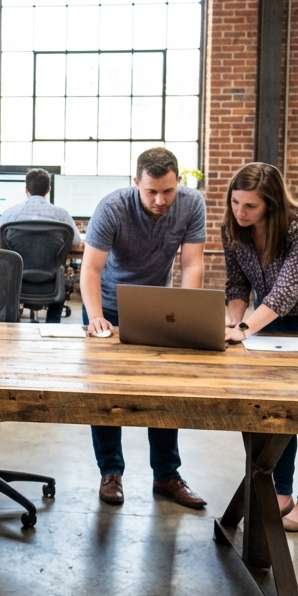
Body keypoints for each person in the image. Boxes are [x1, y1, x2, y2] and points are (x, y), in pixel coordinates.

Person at [80, 147, 208, 509]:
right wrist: (95, 316)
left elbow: (192, 264)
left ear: (178, 182)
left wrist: (186, 314)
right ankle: (111, 472)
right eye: (151, 191)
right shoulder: (112, 207)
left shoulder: (191, 204)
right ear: (136, 182)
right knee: (105, 394)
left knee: (165, 391)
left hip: (157, 308)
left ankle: (167, 475)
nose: (160, 200)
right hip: (107, 306)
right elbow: (91, 269)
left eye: (168, 191)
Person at [222, 162, 298, 532]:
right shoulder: (234, 228)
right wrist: (232, 322)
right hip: (270, 319)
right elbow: (237, 284)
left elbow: (286, 292)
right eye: (235, 202)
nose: (240, 212)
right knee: (277, 408)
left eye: (251, 206)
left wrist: (244, 329)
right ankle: (281, 492)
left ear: (271, 205)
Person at [0, 167, 81, 322]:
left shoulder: (10, 214)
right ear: (48, 189)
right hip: (52, 283)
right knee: (60, 275)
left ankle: (11, 326)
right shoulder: (62, 215)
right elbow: (76, 242)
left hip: (17, 283)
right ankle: (53, 325)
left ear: (26, 189)